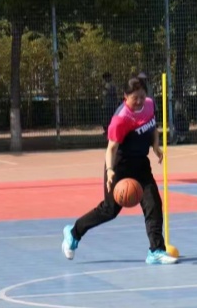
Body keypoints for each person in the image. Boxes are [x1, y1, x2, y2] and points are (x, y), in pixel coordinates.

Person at [62, 76, 178, 265]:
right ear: (125, 96)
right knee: (109, 210)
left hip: (140, 164)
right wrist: (110, 171)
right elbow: (111, 148)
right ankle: (74, 232)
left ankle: (156, 251)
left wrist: (156, 146)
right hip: (119, 165)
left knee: (153, 203)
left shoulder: (149, 105)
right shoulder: (121, 119)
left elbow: (152, 128)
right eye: (135, 98)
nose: (139, 101)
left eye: (142, 96)